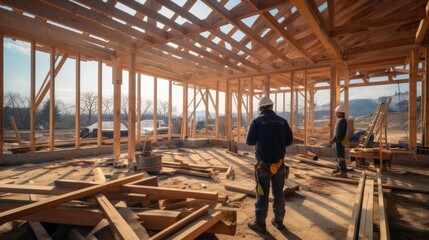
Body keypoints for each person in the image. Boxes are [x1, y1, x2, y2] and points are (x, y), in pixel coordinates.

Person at [245, 96, 293, 232]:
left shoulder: (256, 121)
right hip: (279, 164)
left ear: (260, 108)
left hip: (263, 165)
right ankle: (279, 221)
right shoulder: (282, 121)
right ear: (271, 107)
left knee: (262, 193)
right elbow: (289, 141)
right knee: (278, 193)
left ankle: (260, 224)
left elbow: (249, 142)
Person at [324, 105, 348, 178]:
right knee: (338, 155)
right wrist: (332, 141)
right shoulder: (341, 120)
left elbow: (338, 134)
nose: (336, 114)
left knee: (340, 156)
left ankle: (343, 172)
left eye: (337, 113)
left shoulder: (342, 121)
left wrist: (331, 141)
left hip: (339, 142)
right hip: (338, 141)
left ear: (341, 113)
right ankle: (338, 168)